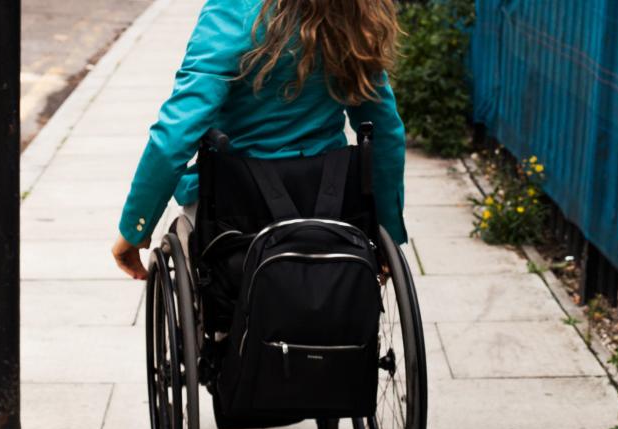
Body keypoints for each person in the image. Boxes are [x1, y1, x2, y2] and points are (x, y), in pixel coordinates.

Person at [112, 0, 407, 280]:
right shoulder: (350, 11)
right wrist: (386, 233)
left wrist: (136, 227)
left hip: (236, 210)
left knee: (193, 237)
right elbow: (384, 130)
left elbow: (174, 137)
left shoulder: (235, 9)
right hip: (329, 201)